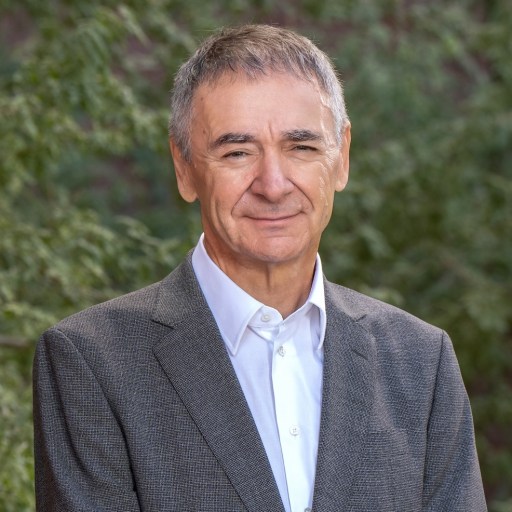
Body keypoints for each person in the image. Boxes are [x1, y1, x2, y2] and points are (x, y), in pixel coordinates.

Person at [33, 24, 487, 512]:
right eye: (238, 152)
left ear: (341, 159)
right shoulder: (93, 363)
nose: (273, 184)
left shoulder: (421, 362)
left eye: (301, 147)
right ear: (184, 167)